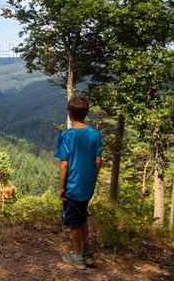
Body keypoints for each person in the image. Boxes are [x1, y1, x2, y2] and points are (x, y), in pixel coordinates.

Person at [54, 96, 103, 270]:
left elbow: (64, 164)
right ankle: (88, 254)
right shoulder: (94, 134)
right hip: (87, 185)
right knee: (82, 217)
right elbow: (98, 161)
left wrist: (61, 188)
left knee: (74, 221)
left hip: (72, 186)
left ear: (69, 113)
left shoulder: (66, 136)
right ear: (86, 113)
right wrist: (92, 178)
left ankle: (77, 257)